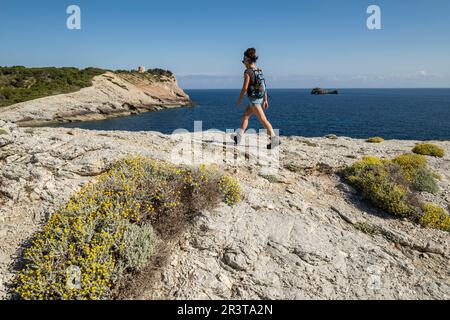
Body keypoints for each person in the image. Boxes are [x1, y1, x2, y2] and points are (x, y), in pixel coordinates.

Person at [235, 48, 280, 149]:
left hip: (254, 100)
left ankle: (274, 139)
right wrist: (265, 99)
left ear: (248, 60)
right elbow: (264, 85)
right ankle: (238, 137)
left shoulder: (248, 72)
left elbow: (245, 88)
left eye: (243, 60)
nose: (242, 62)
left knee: (263, 120)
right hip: (257, 99)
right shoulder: (258, 70)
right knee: (245, 116)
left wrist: (240, 100)